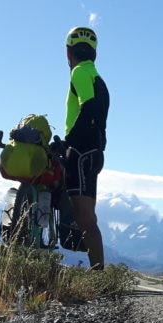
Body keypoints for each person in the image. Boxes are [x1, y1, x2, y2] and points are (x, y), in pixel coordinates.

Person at [63, 26, 109, 270]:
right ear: (95, 54)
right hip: (95, 151)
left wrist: (69, 141)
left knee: (84, 215)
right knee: (87, 214)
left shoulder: (80, 72)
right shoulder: (96, 76)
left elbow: (88, 107)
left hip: (81, 150)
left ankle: (98, 272)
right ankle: (98, 270)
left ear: (68, 53)